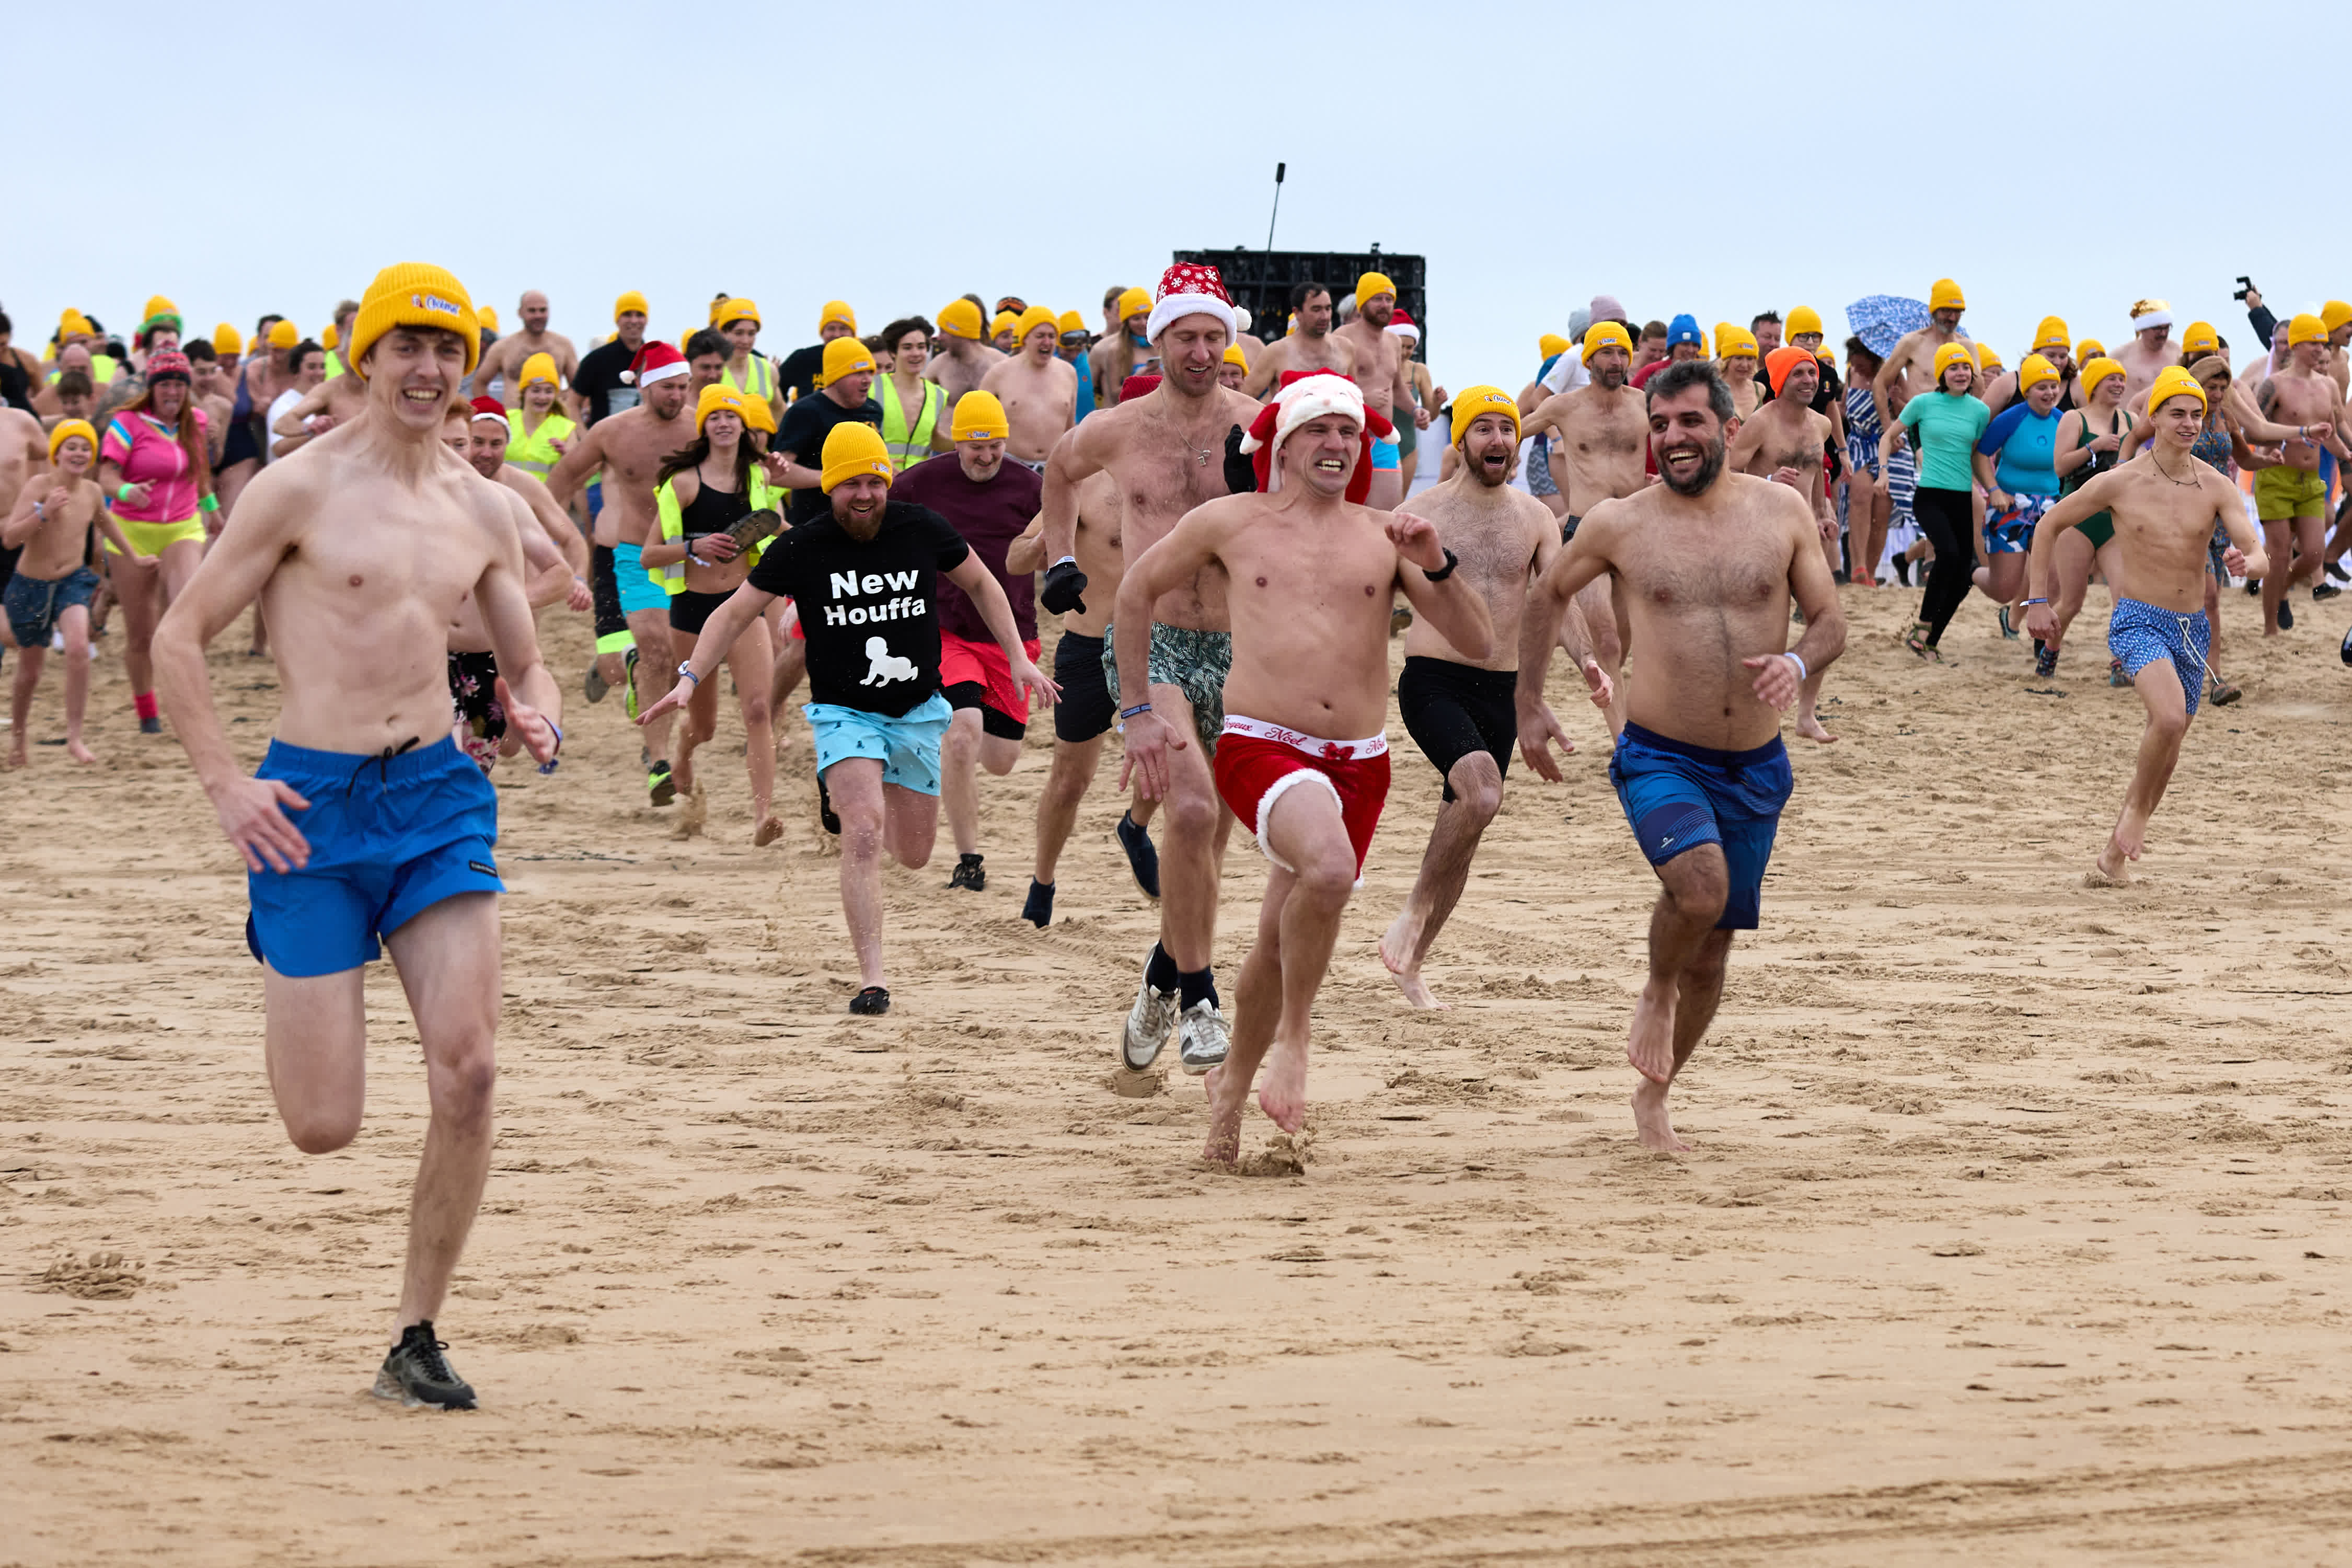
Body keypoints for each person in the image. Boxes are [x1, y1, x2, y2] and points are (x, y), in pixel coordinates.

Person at [149, 262, 562, 1411]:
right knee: (323, 1126)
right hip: (306, 813)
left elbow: (526, 661)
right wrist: (228, 785)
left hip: (436, 797)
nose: (428, 370)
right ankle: (289, 941)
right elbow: (180, 640)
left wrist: (535, 716)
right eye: (406, 349)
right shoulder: (297, 489)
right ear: (367, 360)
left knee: (471, 1073)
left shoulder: (485, 506)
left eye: (447, 350)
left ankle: (415, 1334)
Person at [1116, 370, 1493, 1158]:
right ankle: (1295, 1035)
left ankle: (1225, 1107)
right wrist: (1139, 712)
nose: (1338, 445)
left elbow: (1478, 642)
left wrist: (1438, 560)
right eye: (1321, 430)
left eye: (1350, 433)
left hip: (1360, 759)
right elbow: (1135, 591)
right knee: (1324, 873)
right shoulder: (1231, 521)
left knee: (1276, 940)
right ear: (1283, 443)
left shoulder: (1387, 532)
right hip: (1262, 745)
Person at [1515, 362, 1846, 1151]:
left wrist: (1798, 664)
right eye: (1659, 426)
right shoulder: (1621, 524)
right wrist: (1527, 701)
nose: (1671, 439)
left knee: (1718, 944)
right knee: (1698, 894)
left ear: (1728, 429)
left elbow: (1832, 619)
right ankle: (1655, 989)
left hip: (1757, 765)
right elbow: (1546, 595)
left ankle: (1655, 1095)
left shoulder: (1782, 511)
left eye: (1688, 423)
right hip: (1661, 754)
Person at [641, 423, 1053, 1014]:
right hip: (843, 711)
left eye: (874, 482)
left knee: (912, 853)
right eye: (850, 484)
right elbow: (732, 616)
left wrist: (1017, 658)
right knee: (862, 830)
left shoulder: (921, 528)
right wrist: (688, 678)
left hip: (915, 712)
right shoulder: (800, 546)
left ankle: (854, 784)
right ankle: (873, 979)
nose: (864, 494)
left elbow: (985, 584)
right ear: (830, 488)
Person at [1039, 266, 1266, 1074]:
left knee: (1210, 845)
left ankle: (1162, 977)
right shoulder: (1120, 428)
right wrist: (1062, 557)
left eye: (1213, 337)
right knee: (1194, 811)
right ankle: (1202, 999)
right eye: (1185, 337)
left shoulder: (1258, 426)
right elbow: (1059, 471)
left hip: (1243, 649)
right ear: (1157, 339)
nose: (1201, 351)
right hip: (1155, 640)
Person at [2025, 368, 2267, 885]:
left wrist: (2254, 565)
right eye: (2177, 413)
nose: (2189, 423)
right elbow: (2050, 524)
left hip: (2190, 629)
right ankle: (2134, 819)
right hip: (2138, 619)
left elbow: (2255, 548)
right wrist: (2037, 602)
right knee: (2170, 719)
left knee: (2171, 745)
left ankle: (2113, 858)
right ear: (2152, 417)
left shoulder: (2216, 485)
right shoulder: (2120, 481)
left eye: (2196, 414)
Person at [1378, 388, 1571, 1008]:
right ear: (1460, 442)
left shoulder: (1536, 517)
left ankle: (1413, 961)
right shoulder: (1420, 512)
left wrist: (1591, 663)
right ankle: (1410, 916)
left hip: (1503, 690)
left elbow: (1556, 600)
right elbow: (1371, 601)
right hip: (1434, 680)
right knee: (1483, 793)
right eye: (1483, 429)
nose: (1498, 440)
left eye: (1506, 429)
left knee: (1466, 825)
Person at [890, 390, 1042, 890]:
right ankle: (969, 860)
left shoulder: (1029, 485)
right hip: (944, 630)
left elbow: (1072, 533)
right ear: (956, 444)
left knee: (1000, 762)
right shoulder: (920, 482)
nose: (986, 457)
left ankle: (922, 734)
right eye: (976, 447)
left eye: (995, 446)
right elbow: (868, 523)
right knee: (962, 734)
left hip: (1010, 635)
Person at [1005, 460, 1160, 926]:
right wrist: (1052, 544)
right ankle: (1043, 878)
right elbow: (1015, 560)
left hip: (1158, 644)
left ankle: (1135, 826)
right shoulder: (1085, 487)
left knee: (1163, 755)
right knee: (1070, 779)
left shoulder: (1183, 482)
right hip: (1089, 645)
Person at [545, 340, 697, 803]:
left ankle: (656, 754)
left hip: (681, 555)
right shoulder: (612, 431)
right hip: (627, 553)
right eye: (669, 387)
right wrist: (548, 537)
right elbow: (563, 478)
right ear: (646, 387)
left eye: (684, 387)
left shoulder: (701, 427)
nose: (678, 396)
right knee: (645, 654)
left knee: (666, 658)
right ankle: (653, 750)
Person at [640, 384, 783, 842]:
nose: (724, 423)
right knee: (703, 725)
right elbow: (648, 555)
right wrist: (693, 547)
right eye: (714, 417)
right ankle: (682, 753)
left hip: (745, 609)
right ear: (704, 426)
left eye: (732, 416)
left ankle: (763, 816)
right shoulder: (683, 483)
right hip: (693, 611)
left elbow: (780, 528)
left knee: (760, 709)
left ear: (744, 426)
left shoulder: (758, 479)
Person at [1514, 320, 1646, 734]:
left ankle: (1620, 707)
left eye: (1623, 353)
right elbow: (1512, 428)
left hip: (1634, 529)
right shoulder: (1566, 407)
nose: (1616, 361)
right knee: (1605, 639)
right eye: (1607, 353)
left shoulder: (1645, 404)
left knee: (1624, 643)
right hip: (1586, 529)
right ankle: (1622, 740)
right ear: (1588, 359)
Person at [1728, 346, 1842, 742]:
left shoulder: (1821, 426)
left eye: (1812, 374)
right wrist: (1769, 484)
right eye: (1799, 374)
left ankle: (1806, 716)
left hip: (1805, 533)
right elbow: (1728, 471)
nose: (1810, 381)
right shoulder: (1759, 423)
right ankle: (1748, 714)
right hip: (1761, 533)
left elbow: (1817, 477)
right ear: (1779, 381)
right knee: (1762, 631)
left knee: (1825, 624)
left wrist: (1824, 512)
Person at [98, 350, 215, 733]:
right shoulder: (127, 422)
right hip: (131, 532)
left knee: (186, 610)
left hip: (182, 526)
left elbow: (200, 475)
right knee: (141, 633)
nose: (173, 391)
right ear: (152, 388)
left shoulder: (195, 421)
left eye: (180, 384)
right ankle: (147, 709)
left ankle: (188, 702)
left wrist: (212, 510)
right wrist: (128, 491)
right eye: (166, 384)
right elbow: (106, 478)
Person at [5, 421, 127, 764]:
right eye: (71, 447)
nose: (79, 453)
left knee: (77, 647)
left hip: (72, 580)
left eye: (85, 448)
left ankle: (75, 738)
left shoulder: (90, 491)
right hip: (30, 584)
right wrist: (43, 513)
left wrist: (134, 556)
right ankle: (18, 739)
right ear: (57, 453)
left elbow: (108, 524)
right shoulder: (38, 486)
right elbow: (11, 538)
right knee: (30, 670)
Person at [1884, 343, 1990, 659]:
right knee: (1947, 552)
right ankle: (1923, 624)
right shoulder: (1923, 403)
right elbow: (1889, 435)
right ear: (1942, 373)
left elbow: (1975, 455)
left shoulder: (1980, 411)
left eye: (1966, 367)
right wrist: (1883, 472)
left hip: (1962, 497)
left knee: (1964, 573)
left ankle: (1929, 639)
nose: (1961, 373)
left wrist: (1993, 488)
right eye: (1954, 368)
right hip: (1930, 495)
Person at [2249, 315, 2352, 633]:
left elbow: (2335, 431)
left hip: (2310, 481)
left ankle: (2279, 591)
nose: (2320, 350)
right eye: (2313, 343)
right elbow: (2252, 432)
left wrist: (2347, 453)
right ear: (2296, 344)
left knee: (2314, 554)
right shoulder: (2274, 384)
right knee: (2278, 556)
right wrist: (2280, 441)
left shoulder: (2329, 385)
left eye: (2323, 343)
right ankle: (2270, 628)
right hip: (2276, 478)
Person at [2037, 356, 2135, 678]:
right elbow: (2060, 467)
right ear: (2094, 385)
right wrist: (2095, 448)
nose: (2119, 385)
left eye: (2122, 379)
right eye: (2112, 379)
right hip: (2076, 518)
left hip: (2114, 520)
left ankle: (2119, 663)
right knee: (2072, 602)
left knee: (2124, 596)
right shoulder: (2074, 419)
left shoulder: (2131, 421)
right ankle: (2051, 651)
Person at [1968, 353, 2067, 637]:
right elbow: (1981, 455)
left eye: (2053, 386)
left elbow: (2070, 460)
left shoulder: (2063, 421)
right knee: (2004, 589)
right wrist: (1994, 490)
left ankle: (2034, 635)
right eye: (2042, 387)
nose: (2050, 393)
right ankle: (1971, 571)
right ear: (2027, 391)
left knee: (2054, 581)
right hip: (2009, 506)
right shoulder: (2012, 418)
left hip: (2049, 505)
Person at [1332, 271, 1424, 508]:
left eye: (1389, 300)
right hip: (1349, 437)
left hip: (1384, 439)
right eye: (1377, 299)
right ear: (1362, 304)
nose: (1385, 305)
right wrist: (1362, 399)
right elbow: (1330, 386)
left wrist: (1415, 410)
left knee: (1387, 518)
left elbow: (1396, 387)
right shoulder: (1343, 338)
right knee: (1346, 515)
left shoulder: (1393, 342)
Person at [979, 306, 1078, 470]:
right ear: (1025, 338)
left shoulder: (1068, 373)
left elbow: (1070, 429)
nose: (1047, 342)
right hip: (1010, 467)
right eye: (1040, 336)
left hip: (1054, 468)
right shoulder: (998, 373)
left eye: (1052, 336)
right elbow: (979, 424)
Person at [1242, 282, 1354, 396]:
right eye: (1316, 310)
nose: (1325, 316)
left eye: (1328, 309)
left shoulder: (1345, 347)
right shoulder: (1277, 352)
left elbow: (1356, 395)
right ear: (1297, 313)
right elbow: (1245, 397)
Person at [473, 290, 580, 409]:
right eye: (532, 311)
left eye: (543, 310)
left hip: (552, 423)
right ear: (520, 313)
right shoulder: (503, 348)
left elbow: (579, 387)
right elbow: (480, 383)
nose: (538, 315)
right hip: (514, 423)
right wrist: (490, 411)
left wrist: (562, 401)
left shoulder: (564, 346)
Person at [874, 317, 950, 471]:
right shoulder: (872, 387)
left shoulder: (938, 395)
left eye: (921, 347)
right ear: (893, 353)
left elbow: (934, 439)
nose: (916, 353)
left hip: (919, 484)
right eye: (907, 348)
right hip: (879, 480)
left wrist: (967, 444)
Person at [927, 298, 1007, 418]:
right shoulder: (938, 366)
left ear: (959, 333)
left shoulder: (999, 363)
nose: (939, 337)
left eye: (943, 332)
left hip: (992, 434)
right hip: (951, 435)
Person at [711, 297, 783, 427]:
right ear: (723, 333)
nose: (745, 341)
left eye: (751, 334)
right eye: (738, 333)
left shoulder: (767, 370)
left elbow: (780, 412)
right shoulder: (711, 370)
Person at [502, 354, 574, 481]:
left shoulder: (566, 428)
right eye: (536, 390)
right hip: (505, 498)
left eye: (549, 391)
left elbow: (577, 473)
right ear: (524, 392)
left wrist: (567, 455)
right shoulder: (505, 420)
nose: (542, 397)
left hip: (543, 499)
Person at [776, 301, 858, 403]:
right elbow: (777, 386)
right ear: (823, 332)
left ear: (853, 333)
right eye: (831, 329)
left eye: (843, 329)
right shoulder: (804, 358)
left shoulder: (863, 359)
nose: (837, 335)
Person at [1088, 287, 1157, 407]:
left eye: (1147, 317)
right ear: (1127, 322)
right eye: (1136, 318)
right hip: (1127, 415)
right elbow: (1114, 395)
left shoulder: (1160, 344)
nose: (1143, 323)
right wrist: (1137, 379)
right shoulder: (1114, 350)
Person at [2115, 299, 2179, 402]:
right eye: (2157, 329)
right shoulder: (2120, 356)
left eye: (2166, 328)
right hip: (2135, 415)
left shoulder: (2177, 351)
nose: (2163, 333)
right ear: (2143, 329)